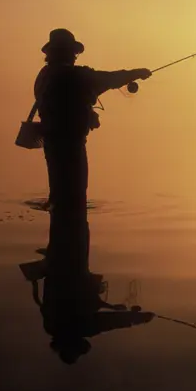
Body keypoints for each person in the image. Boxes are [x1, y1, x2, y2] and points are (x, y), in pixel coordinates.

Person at [34, 28, 151, 281]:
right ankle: (66, 245)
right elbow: (106, 79)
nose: (75, 57)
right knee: (74, 198)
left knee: (60, 195)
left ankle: (59, 242)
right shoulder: (73, 76)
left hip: (53, 144)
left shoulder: (45, 75)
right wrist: (137, 73)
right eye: (72, 53)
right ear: (67, 53)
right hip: (71, 145)